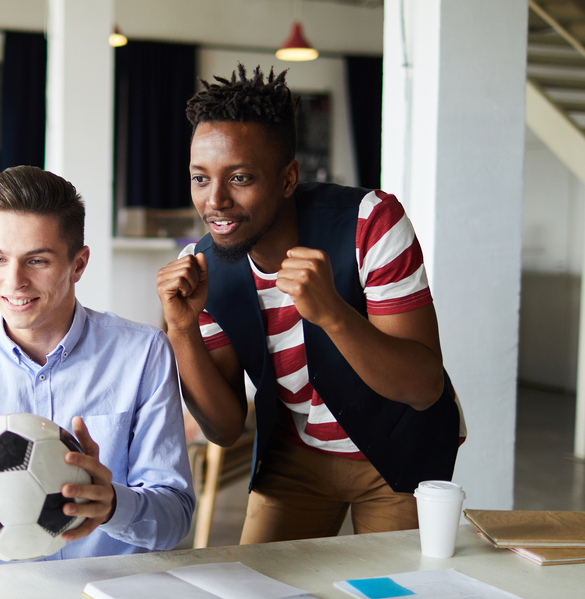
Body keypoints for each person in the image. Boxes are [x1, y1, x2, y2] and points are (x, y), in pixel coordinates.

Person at [157, 64, 464, 544]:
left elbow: (424, 387)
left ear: (287, 179)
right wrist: (181, 329)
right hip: (295, 457)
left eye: (239, 177)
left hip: (397, 452)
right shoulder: (201, 269)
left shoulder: (371, 223)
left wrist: (333, 314)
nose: (215, 200)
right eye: (200, 178)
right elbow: (222, 427)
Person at [0, 165, 195, 565]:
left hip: (113, 596)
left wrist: (114, 505)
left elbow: (174, 521)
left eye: (36, 261)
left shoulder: (142, 355)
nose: (13, 281)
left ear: (78, 265)